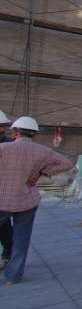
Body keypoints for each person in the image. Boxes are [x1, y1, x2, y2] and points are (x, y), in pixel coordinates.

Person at [0, 116, 73, 285]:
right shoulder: (43, 151)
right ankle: (13, 276)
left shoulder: (4, 148)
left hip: (2, 200)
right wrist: (43, 173)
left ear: (16, 132)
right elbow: (67, 163)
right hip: (27, 201)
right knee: (21, 238)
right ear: (34, 134)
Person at [0, 110, 13, 270]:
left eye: (3, 126)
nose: (3, 129)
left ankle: (8, 255)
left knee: (4, 226)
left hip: (4, 192)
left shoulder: (10, 144)